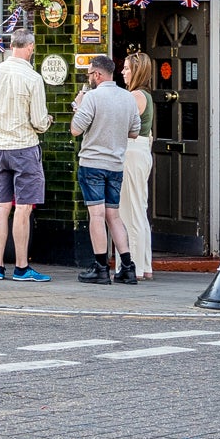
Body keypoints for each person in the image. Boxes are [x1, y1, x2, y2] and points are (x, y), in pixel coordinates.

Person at [0, 32, 52, 283]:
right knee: (22, 209)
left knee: (2, 206)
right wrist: (48, 122)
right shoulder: (33, 78)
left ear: (11, 47)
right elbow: (39, 122)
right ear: (30, 47)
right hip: (24, 147)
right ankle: (21, 267)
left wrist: (1, 123)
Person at [71, 53, 139, 285]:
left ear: (98, 74)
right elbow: (134, 132)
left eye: (90, 73)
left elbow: (76, 130)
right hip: (116, 165)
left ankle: (101, 268)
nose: (89, 77)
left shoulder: (92, 97)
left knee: (97, 216)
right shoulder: (128, 98)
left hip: (93, 164)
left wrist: (77, 107)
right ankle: (127, 267)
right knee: (114, 215)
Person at [116, 51, 155, 279]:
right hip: (139, 151)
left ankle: (134, 267)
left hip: (132, 152)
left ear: (137, 71)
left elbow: (119, 124)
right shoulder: (144, 96)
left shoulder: (135, 96)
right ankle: (144, 265)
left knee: (129, 211)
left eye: (127, 68)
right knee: (138, 208)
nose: (123, 72)